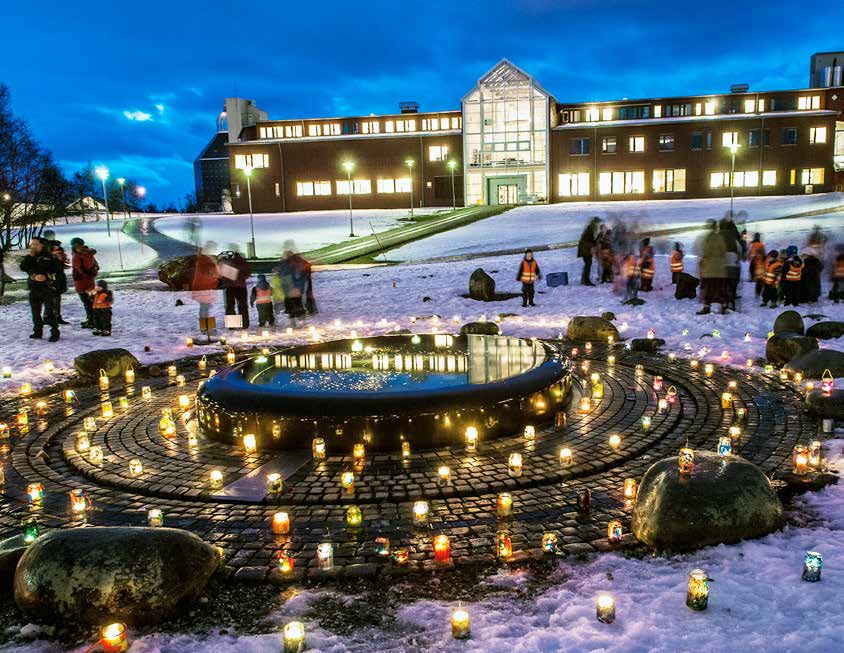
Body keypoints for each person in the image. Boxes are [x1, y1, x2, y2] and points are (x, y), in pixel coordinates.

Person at [20, 238, 62, 341]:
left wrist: (47, 278)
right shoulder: (30, 257)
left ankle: (54, 332)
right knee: (35, 312)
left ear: (42, 245)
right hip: (34, 288)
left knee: (49, 312)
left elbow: (58, 272)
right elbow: (24, 267)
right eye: (32, 244)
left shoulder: (49, 257)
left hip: (47, 288)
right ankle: (37, 331)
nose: (33, 246)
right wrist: (31, 257)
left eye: (36, 244)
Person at [696, 220, 728, 315]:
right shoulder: (721, 238)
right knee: (720, 288)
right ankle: (723, 306)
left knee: (708, 289)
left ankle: (707, 307)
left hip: (709, 269)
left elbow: (704, 253)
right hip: (720, 269)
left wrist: (701, 265)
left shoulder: (707, 238)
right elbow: (724, 251)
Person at [217, 246, 251, 328]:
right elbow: (248, 273)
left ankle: (232, 325)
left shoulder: (224, 261)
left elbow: (220, 275)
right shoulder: (242, 261)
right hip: (241, 286)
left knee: (230, 306)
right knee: (242, 305)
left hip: (230, 287)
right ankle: (244, 324)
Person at [70, 237, 99, 328]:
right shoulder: (89, 253)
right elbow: (95, 265)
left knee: (87, 302)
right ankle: (92, 319)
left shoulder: (78, 255)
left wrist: (83, 274)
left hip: (81, 281)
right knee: (91, 301)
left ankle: (91, 321)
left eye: (75, 245)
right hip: (90, 280)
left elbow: (78, 268)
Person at [192, 241, 219, 324]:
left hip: (204, 287)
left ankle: (206, 328)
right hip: (203, 287)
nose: (215, 250)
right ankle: (205, 329)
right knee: (204, 308)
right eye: (214, 248)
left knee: (205, 308)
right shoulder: (204, 259)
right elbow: (209, 272)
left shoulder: (204, 258)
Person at [49, 241, 70, 325]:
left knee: (57, 299)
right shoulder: (48, 256)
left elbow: (62, 266)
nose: (57, 248)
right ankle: (50, 317)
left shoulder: (61, 254)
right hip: (52, 279)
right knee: (51, 300)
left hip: (59, 278)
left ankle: (57, 316)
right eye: (55, 246)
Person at [577, 217, 600, 286]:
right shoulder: (590, 229)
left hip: (585, 250)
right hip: (585, 250)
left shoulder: (590, 229)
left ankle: (584, 280)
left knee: (587, 265)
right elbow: (587, 241)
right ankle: (586, 281)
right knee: (588, 265)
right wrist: (594, 243)